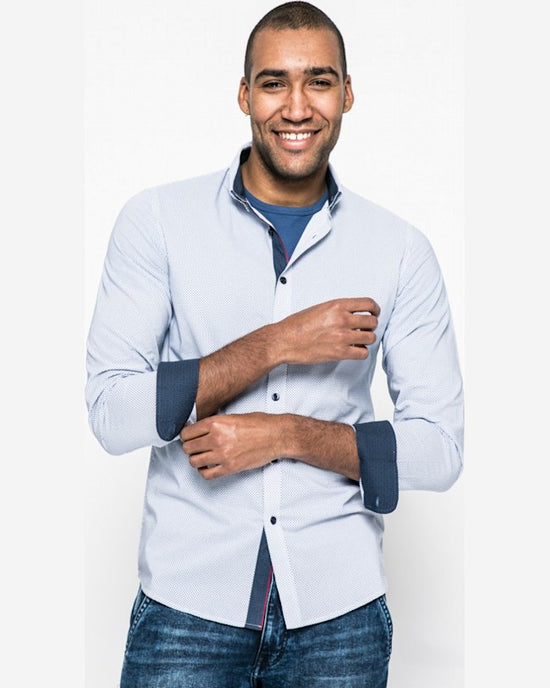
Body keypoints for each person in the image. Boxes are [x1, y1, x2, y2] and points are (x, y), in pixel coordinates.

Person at [86, 2, 463, 686]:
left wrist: (287, 434)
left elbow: (439, 449)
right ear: (243, 95)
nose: (296, 107)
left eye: (319, 81)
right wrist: (279, 342)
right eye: (273, 83)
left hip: (341, 619)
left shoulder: (400, 249)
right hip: (185, 613)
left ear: (347, 93)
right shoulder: (158, 223)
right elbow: (113, 414)